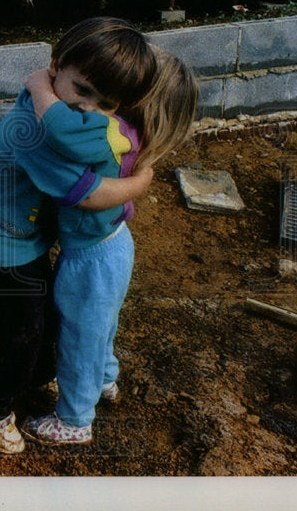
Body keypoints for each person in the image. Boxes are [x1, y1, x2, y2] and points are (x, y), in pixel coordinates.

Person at [0, 17, 159, 453]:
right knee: (20, 331)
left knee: (30, 318)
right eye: (82, 90)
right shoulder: (35, 133)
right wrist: (139, 184)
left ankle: (27, 371)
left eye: (105, 103)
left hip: (21, 239)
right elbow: (86, 195)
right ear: (55, 66)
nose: (88, 108)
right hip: (1, 248)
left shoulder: (57, 111)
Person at [18, 46, 198, 447]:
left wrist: (38, 84)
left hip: (90, 258)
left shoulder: (102, 133)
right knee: (101, 325)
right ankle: (104, 381)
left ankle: (75, 420)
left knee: (79, 336)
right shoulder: (131, 137)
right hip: (114, 246)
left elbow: (60, 127)